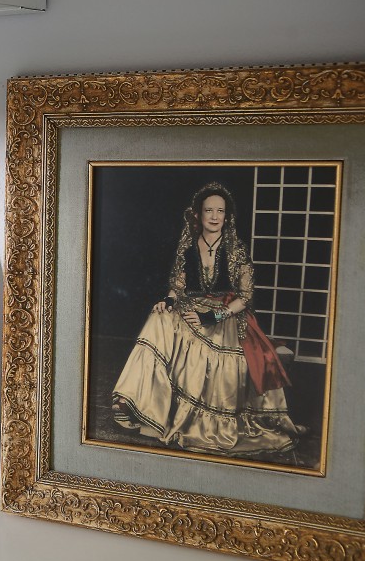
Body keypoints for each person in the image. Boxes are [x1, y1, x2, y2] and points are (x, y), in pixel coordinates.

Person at [111, 182, 303, 456]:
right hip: (192, 306)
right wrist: (168, 301)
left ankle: (161, 410)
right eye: (209, 210)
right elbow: (178, 287)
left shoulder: (236, 250)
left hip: (225, 315)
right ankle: (131, 400)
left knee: (201, 344)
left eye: (220, 211)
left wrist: (211, 316)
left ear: (227, 216)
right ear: (198, 214)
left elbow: (245, 298)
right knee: (158, 318)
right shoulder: (188, 245)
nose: (214, 216)